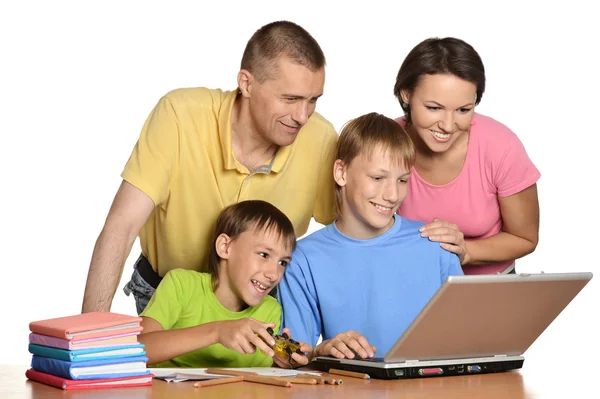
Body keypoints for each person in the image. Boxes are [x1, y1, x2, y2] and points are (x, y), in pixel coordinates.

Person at [81, 21, 338, 314]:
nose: (302, 116)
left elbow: (348, 235)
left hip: (257, 299)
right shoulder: (180, 115)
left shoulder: (321, 138)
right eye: (290, 99)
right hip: (165, 293)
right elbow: (122, 225)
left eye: (313, 100)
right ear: (247, 83)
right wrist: (90, 338)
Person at [278, 113, 463, 359]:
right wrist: (319, 351)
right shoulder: (303, 259)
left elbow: (467, 341)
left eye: (402, 180)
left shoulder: (435, 244)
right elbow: (291, 355)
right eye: (377, 178)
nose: (392, 195)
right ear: (341, 173)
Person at [393, 37, 541, 275]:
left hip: (490, 287)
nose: (448, 125)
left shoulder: (501, 146)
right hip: (410, 282)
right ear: (406, 94)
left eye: (463, 110)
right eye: (434, 108)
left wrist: (466, 252)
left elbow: (524, 238)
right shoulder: (383, 143)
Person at [138, 200, 311, 368]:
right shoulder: (181, 286)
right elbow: (136, 349)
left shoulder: (271, 309)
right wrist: (217, 332)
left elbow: (262, 371)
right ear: (225, 247)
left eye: (282, 263)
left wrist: (284, 361)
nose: (274, 275)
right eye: (264, 255)